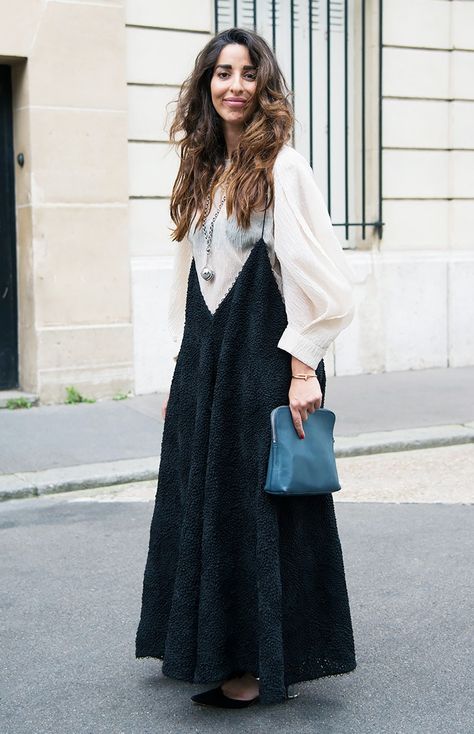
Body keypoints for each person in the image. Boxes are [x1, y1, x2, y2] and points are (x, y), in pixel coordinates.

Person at [135, 27, 357, 709]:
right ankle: (206, 642)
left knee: (256, 504)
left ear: (264, 86)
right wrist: (181, 368)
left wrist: (301, 368)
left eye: (248, 73)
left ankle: (258, 661)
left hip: (261, 353)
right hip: (205, 361)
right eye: (222, 72)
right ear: (207, 84)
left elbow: (324, 280)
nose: (234, 84)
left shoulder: (282, 167)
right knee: (201, 498)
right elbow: (192, 278)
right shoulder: (202, 167)